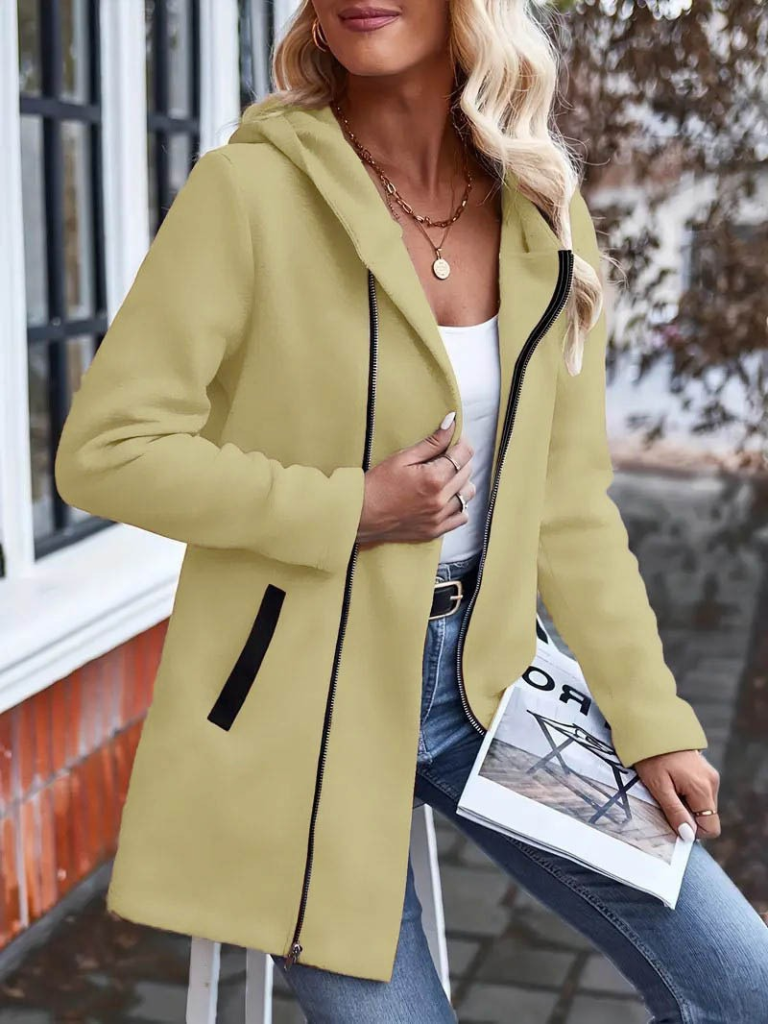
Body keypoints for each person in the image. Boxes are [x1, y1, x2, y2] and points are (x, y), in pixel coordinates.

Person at [54, 1, 768, 1021]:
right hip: (302, 702)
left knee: (744, 982)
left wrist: (649, 716)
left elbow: (568, 506)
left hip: (491, 676)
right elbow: (106, 451)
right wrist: (351, 506)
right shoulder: (248, 193)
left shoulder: (543, 211)